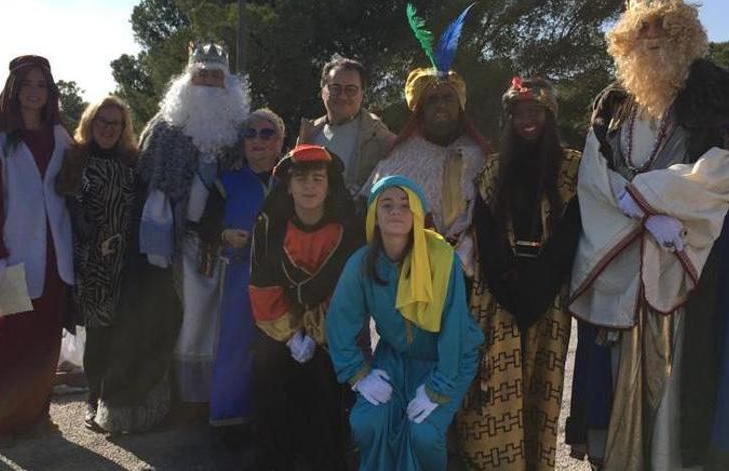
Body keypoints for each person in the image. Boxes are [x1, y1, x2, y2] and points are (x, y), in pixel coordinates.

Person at [564, 0, 729, 469]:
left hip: (685, 264)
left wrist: (659, 207)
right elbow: (594, 176)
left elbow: (726, 174)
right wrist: (631, 209)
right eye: (642, 29)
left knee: (681, 379)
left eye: (663, 28)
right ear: (627, 41)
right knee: (614, 373)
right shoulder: (612, 105)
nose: (652, 38)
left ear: (685, 36)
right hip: (620, 263)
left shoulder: (718, 96)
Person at [453, 78, 582, 470]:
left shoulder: (574, 167)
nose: (527, 119)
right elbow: (486, 234)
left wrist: (538, 288)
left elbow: (569, 232)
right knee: (491, 395)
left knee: (539, 395)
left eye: (535, 112)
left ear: (549, 116)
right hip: (497, 295)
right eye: (519, 113)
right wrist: (511, 286)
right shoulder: (493, 169)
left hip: (549, 294)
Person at [326, 175, 481, 470]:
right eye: (387, 205)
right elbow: (340, 322)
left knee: (423, 434)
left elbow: (454, 327)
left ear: (417, 215)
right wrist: (358, 374)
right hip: (395, 356)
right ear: (374, 215)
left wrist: (438, 387)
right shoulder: (361, 263)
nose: (396, 211)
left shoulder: (442, 258)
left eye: (404, 205)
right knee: (366, 422)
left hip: (449, 359)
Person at [137, 42, 250, 410]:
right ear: (187, 78)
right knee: (180, 323)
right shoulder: (163, 129)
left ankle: (214, 397)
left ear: (228, 83)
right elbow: (145, 183)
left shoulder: (242, 131)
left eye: (216, 75)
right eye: (201, 73)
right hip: (176, 243)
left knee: (218, 323)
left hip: (226, 246)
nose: (208, 81)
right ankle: (177, 400)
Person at [0, 55, 74, 442]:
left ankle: (36, 415)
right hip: (10, 260)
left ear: (50, 92)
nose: (35, 92)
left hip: (55, 259)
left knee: (46, 343)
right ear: (14, 90)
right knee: (9, 343)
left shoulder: (62, 137)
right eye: (28, 84)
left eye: (42, 85)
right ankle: (0, 423)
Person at [248, 144, 362, 471]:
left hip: (329, 330)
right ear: (288, 185)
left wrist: (315, 334)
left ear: (329, 185)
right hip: (278, 328)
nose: (309, 186)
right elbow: (262, 284)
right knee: (269, 373)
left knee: (326, 385)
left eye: (317, 178)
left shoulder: (346, 230)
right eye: (301, 179)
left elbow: (347, 292)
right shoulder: (269, 225)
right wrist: (291, 335)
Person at [363, 4, 490, 243]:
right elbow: (372, 208)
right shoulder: (398, 158)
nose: (440, 105)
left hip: (469, 267)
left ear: (460, 105)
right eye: (432, 100)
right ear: (420, 110)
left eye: (447, 98)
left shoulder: (480, 158)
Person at [55, 96, 138, 432]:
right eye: (101, 121)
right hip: (92, 263)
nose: (108, 128)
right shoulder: (75, 160)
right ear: (90, 124)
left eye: (115, 123)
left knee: (125, 332)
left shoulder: (133, 162)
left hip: (129, 260)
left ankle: (116, 398)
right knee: (100, 334)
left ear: (124, 128)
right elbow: (65, 209)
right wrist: (93, 241)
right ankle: (93, 400)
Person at [203, 108, 284, 440]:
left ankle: (274, 420)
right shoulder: (226, 181)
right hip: (238, 276)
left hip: (284, 279)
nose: (258, 141)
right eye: (250, 134)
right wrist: (223, 235)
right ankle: (230, 422)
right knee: (235, 346)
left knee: (278, 348)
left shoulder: (292, 180)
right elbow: (204, 225)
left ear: (280, 142)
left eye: (267, 134)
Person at [297, 56, 395, 196]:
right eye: (335, 88)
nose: (342, 96)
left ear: (361, 95)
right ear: (323, 92)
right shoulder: (308, 133)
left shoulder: (380, 136)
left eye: (351, 90)